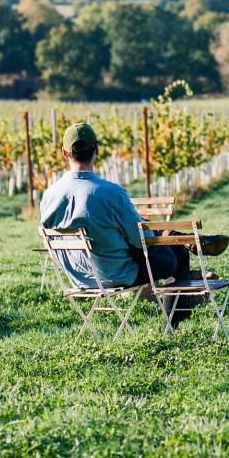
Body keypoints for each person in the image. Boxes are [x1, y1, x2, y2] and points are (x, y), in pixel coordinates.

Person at [40, 121, 195, 325]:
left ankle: (180, 244)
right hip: (117, 274)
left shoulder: (49, 195)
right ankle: (173, 323)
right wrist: (161, 236)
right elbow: (141, 240)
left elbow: (47, 242)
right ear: (97, 150)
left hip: (79, 277)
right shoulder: (110, 193)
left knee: (163, 242)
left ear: (64, 153)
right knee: (175, 256)